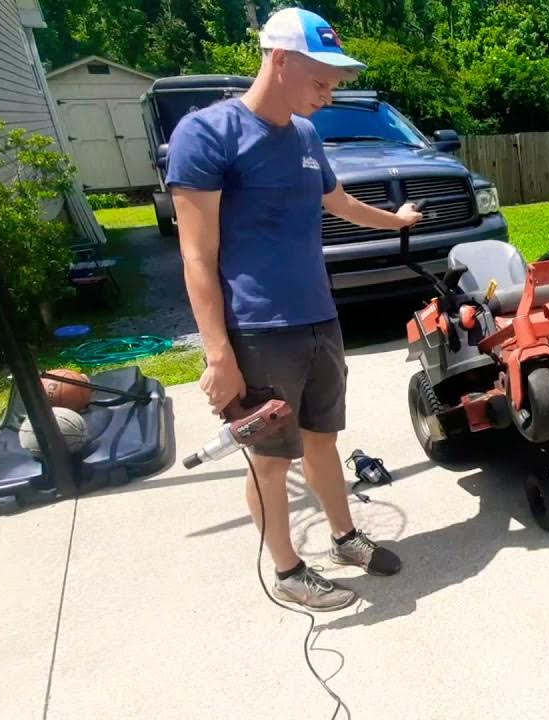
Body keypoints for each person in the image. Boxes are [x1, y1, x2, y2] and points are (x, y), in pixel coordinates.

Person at [167, 7, 423, 611]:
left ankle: (344, 537)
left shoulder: (306, 136)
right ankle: (286, 570)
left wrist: (396, 219)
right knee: (270, 459)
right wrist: (218, 355)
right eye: (321, 81)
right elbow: (197, 257)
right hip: (258, 329)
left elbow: (336, 200)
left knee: (323, 439)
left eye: (335, 84)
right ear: (279, 59)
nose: (329, 95)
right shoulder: (207, 134)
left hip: (319, 317)